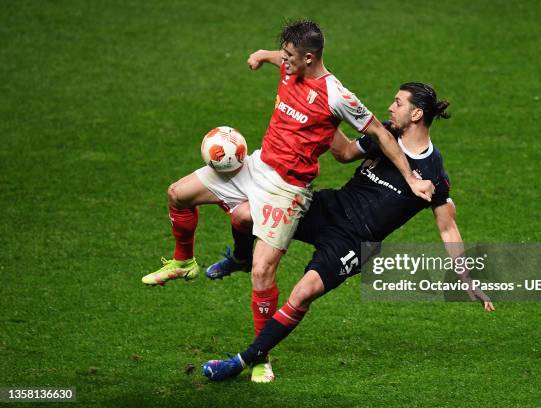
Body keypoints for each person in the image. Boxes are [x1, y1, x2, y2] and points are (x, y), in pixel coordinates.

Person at [141, 20, 433, 382]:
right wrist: (261, 57)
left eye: (290, 55)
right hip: (256, 165)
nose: (285, 60)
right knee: (177, 193)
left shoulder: (338, 95)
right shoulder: (289, 65)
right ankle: (184, 262)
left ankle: (261, 358)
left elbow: (378, 133)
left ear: (309, 58)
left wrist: (411, 177)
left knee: (263, 273)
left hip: (288, 190)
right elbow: (276, 58)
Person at [201, 82, 495, 382]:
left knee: (302, 294)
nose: (391, 107)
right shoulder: (385, 137)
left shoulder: (433, 172)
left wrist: (465, 276)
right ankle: (241, 258)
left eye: (398, 102)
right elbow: (342, 152)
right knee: (244, 214)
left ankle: (242, 361)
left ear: (417, 113)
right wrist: (327, 110)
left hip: (354, 241)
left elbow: (448, 228)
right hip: (330, 207)